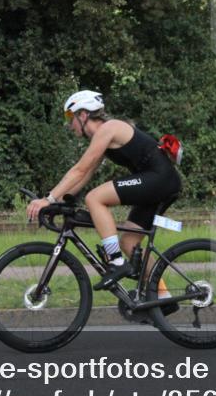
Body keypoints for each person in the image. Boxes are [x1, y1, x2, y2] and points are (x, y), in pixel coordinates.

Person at [26, 90, 182, 291]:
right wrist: (58, 201)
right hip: (160, 182)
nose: (69, 125)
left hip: (160, 179)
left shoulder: (109, 128)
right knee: (129, 243)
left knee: (95, 198)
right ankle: (163, 296)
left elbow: (79, 169)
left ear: (83, 114)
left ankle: (116, 261)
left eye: (70, 118)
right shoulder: (103, 136)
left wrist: (48, 199)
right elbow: (85, 174)